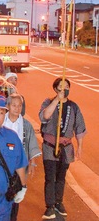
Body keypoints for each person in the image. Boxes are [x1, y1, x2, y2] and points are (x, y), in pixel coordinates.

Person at [39, 77, 87, 219]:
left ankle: (59, 202)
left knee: (61, 177)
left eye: (66, 87)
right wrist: (56, 100)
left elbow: (79, 127)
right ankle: (50, 206)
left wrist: (80, 147)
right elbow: (44, 116)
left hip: (66, 148)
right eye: (61, 87)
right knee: (50, 176)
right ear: (55, 89)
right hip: (49, 146)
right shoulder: (48, 102)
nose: (64, 89)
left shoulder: (73, 107)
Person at [4, 93, 42, 221]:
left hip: (19, 165)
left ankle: (12, 218)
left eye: (19, 106)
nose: (17, 108)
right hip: (1, 164)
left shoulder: (26, 125)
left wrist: (32, 163)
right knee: (0, 193)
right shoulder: (0, 121)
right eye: (14, 105)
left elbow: (31, 144)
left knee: (16, 194)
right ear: (8, 106)